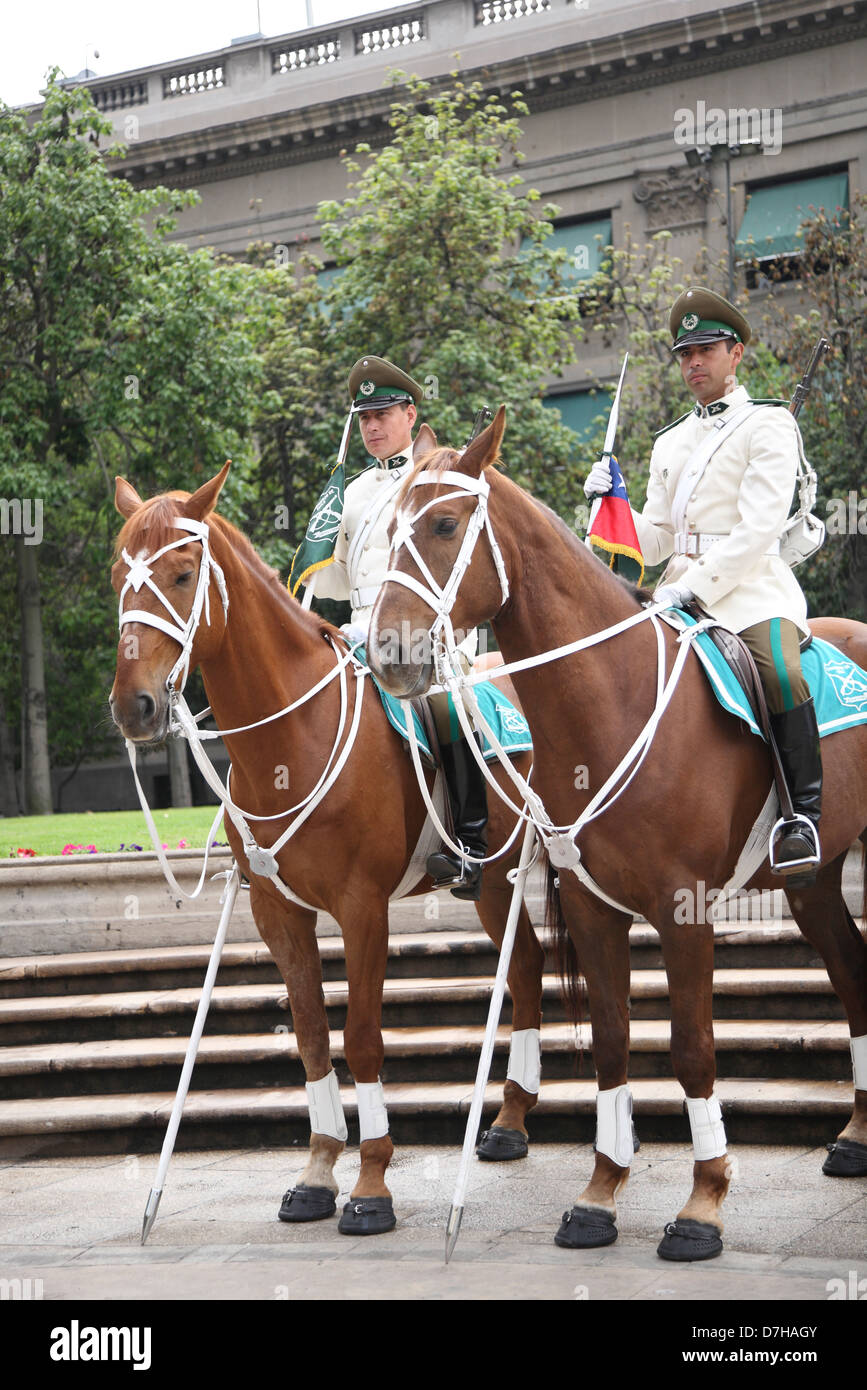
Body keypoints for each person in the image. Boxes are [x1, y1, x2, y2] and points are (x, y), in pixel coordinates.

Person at [584, 288, 822, 884]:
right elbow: (658, 539)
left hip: (749, 588)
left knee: (781, 672)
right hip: (673, 591)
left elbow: (760, 526)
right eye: (684, 353)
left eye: (706, 350)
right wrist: (608, 505)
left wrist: (697, 590)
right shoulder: (669, 441)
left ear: (735, 353)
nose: (693, 363)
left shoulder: (768, 423)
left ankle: (803, 815)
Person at [305, 355, 488, 899]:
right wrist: (321, 543)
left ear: (411, 414)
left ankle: (469, 841)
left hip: (424, 631)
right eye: (364, 418)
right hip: (358, 627)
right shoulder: (352, 490)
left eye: (384, 414)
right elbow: (339, 583)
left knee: (444, 704)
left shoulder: (434, 474)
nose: (372, 427)